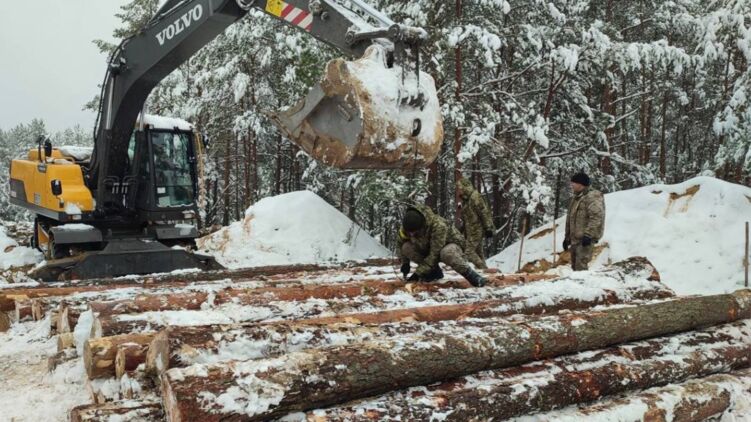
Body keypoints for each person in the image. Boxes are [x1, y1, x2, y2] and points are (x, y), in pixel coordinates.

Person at [398, 204, 488, 287]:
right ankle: (434, 273)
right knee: (406, 247)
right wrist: (405, 263)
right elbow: (400, 243)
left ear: (422, 225)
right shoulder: (407, 227)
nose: (411, 235)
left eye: (415, 233)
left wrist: (418, 273)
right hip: (429, 248)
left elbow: (434, 254)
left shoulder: (438, 226)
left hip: (450, 246)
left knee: (446, 253)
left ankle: (473, 276)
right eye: (409, 233)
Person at [563, 172, 605, 271]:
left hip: (585, 240)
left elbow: (596, 217)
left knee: (581, 267)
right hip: (575, 239)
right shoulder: (576, 197)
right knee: (575, 267)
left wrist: (588, 235)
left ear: (580, 184)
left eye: (574, 183)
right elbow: (571, 218)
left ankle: (582, 281)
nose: (572, 185)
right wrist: (567, 237)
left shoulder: (592, 197)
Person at [457, 177, 496, 269]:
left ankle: (483, 269)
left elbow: (484, 213)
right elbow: (468, 217)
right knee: (478, 253)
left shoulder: (475, 197)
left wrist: (488, 228)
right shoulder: (466, 199)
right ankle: (485, 272)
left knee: (469, 253)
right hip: (471, 231)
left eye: (460, 188)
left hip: (477, 230)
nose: (458, 191)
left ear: (465, 187)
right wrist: (462, 228)